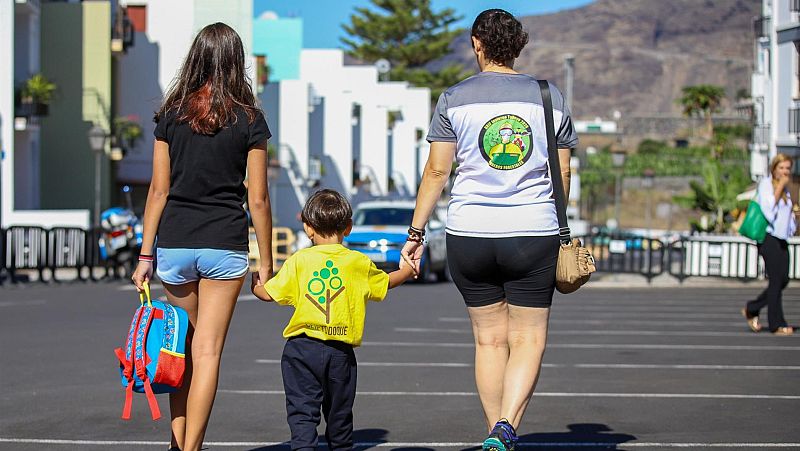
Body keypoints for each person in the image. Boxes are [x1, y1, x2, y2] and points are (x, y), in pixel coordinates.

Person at [400, 9, 578, 451]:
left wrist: (416, 234)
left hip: (468, 232)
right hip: (532, 231)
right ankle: (506, 427)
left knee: (488, 341)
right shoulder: (549, 96)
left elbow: (437, 172)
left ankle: (496, 434)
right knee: (527, 338)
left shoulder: (453, 98)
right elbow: (563, 173)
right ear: (518, 46)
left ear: (476, 45)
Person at [130, 23, 273, 451]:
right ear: (236, 62)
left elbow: (158, 191)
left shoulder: (170, 116)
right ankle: (192, 447)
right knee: (207, 352)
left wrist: (145, 256)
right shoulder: (250, 120)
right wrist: (266, 265)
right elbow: (259, 198)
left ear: (195, 58)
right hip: (224, 245)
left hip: (175, 243)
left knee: (179, 349)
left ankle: (178, 445)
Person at [251, 189, 416, 451]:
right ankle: (340, 446)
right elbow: (385, 282)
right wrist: (406, 271)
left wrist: (256, 286)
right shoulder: (357, 262)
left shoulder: (300, 260)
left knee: (302, 409)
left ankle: (303, 447)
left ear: (308, 228)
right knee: (339, 411)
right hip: (340, 351)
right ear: (348, 227)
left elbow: (269, 294)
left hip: (301, 349)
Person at [742, 153, 796, 336]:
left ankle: (752, 308)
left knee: (783, 279)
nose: (785, 172)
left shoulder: (786, 189)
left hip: (782, 238)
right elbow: (769, 211)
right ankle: (777, 324)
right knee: (775, 281)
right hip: (768, 237)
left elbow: (787, 216)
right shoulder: (767, 184)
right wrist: (779, 187)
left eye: (788, 168)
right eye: (781, 168)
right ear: (774, 169)